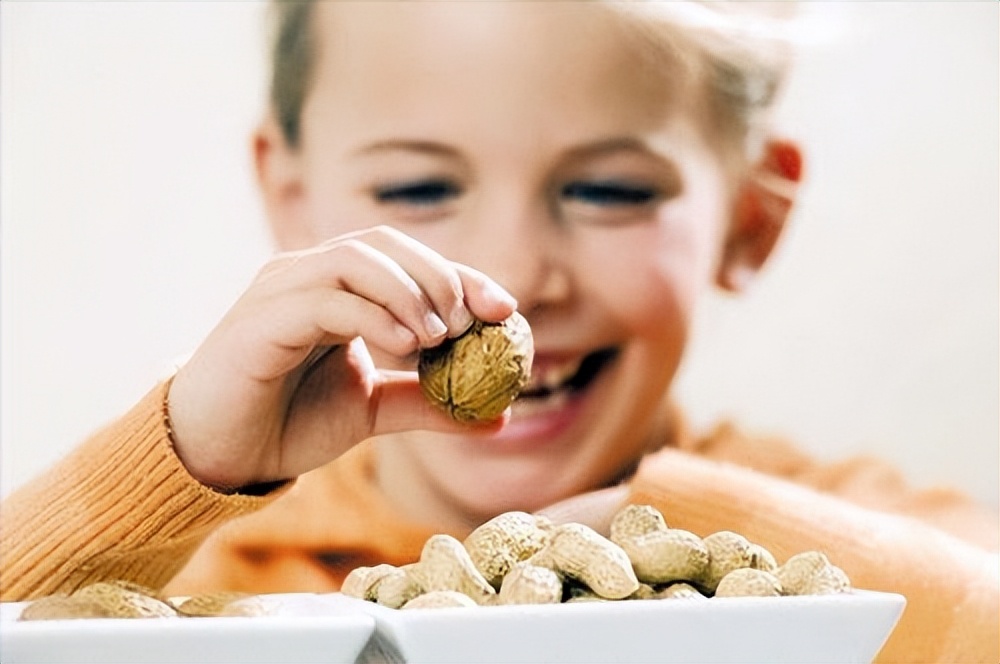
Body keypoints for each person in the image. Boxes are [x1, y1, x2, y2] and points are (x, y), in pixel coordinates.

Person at [2, 2, 996, 661]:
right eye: (419, 187)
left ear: (750, 217)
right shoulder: (228, 589)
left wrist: (676, 539)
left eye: (607, 189)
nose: (514, 274)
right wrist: (173, 468)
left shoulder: (859, 533)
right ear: (291, 198)